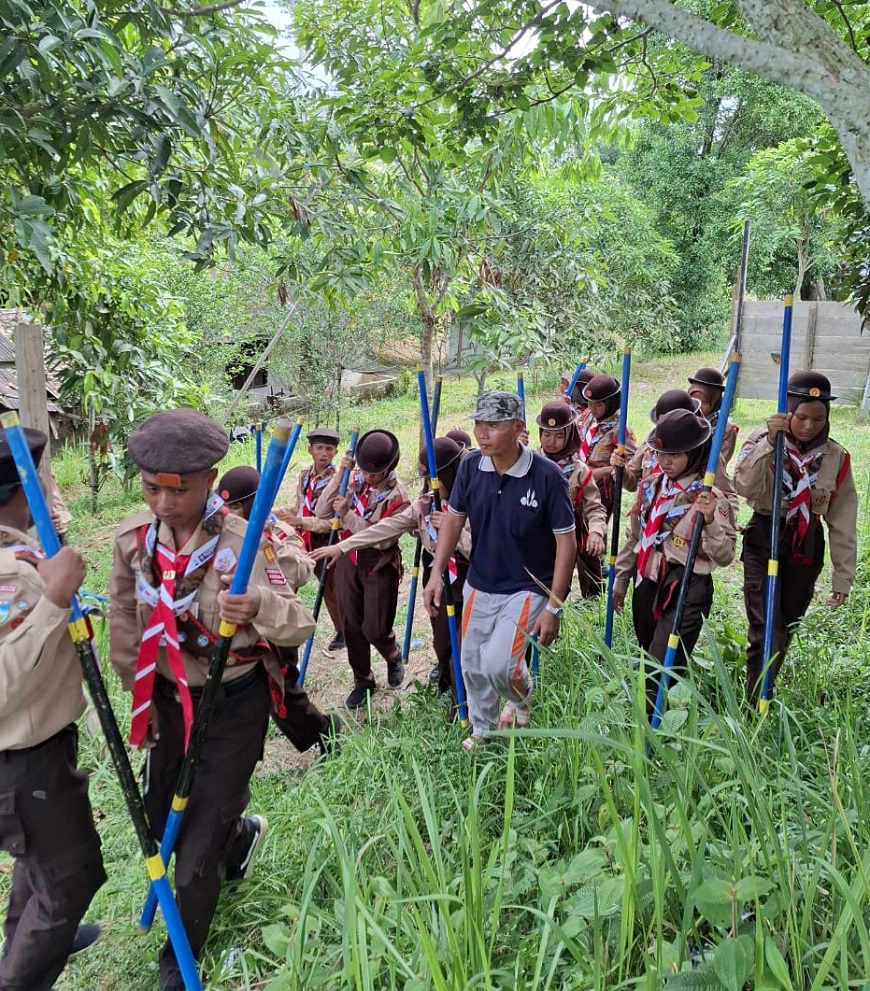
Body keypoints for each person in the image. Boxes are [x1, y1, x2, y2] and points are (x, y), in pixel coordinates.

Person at [109, 409, 316, 991]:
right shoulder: (133, 543)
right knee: (159, 821)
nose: (163, 505)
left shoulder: (245, 545)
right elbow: (126, 624)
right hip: (169, 700)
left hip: (233, 704)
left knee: (195, 849)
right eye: (151, 489)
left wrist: (258, 607)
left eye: (177, 492)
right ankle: (240, 835)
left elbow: (298, 625)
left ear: (210, 479)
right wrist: (139, 700)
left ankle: (180, 961)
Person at [0, 427, 106, 991]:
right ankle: (23, 971)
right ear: (24, 488)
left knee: (38, 860)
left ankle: (25, 942)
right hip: (22, 760)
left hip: (31, 755)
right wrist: (53, 600)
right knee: (71, 877)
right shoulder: (11, 576)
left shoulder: (15, 556)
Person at [423, 392, 576, 749]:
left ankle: (521, 698)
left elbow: (566, 544)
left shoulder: (547, 476)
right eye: (478, 423)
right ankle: (484, 729)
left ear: (519, 428)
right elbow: (453, 521)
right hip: (480, 582)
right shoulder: (470, 467)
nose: (482, 432)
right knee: (473, 664)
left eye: (493, 424)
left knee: (501, 665)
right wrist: (435, 573)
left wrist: (554, 605)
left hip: (527, 585)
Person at [313, 437, 471, 707]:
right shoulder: (423, 504)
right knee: (442, 640)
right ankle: (440, 676)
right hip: (434, 577)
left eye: (436, 479)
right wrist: (342, 546)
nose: (431, 486)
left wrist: (453, 529)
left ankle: (462, 702)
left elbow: (477, 547)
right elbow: (386, 527)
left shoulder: (472, 501)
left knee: (462, 641)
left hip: (465, 578)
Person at [733, 372, 857, 704]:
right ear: (788, 410)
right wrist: (770, 444)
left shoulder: (835, 457)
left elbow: (843, 522)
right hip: (763, 536)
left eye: (819, 418)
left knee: (784, 627)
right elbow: (742, 486)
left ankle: (765, 689)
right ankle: (755, 704)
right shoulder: (762, 440)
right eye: (800, 417)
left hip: (806, 547)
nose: (808, 426)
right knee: (766, 628)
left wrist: (842, 577)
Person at [613, 409, 736, 711]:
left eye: (676, 455)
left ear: (694, 454)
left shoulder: (709, 497)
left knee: (661, 666)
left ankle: (655, 735)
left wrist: (708, 521)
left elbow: (725, 555)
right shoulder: (652, 485)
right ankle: (658, 718)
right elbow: (636, 538)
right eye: (660, 452)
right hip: (648, 582)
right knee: (647, 653)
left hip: (686, 588)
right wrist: (620, 581)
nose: (665, 461)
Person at [217, 466, 340, 755]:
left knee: (283, 698)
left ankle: (326, 732)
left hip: (275, 630)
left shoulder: (278, 532)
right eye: (225, 506)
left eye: (235, 506)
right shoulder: (223, 533)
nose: (229, 513)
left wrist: (269, 543)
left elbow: (300, 572)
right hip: (236, 634)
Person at [314, 429, 409, 709]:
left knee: (375, 627)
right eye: (365, 471)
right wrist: (339, 476)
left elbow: (382, 538)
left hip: (378, 563)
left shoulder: (397, 496)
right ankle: (363, 681)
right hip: (347, 560)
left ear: (389, 467)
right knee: (352, 626)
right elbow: (320, 511)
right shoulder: (353, 479)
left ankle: (392, 656)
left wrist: (347, 515)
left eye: (375, 474)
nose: (368, 478)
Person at [275, 427, 345, 651]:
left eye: (329, 449)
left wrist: (301, 521)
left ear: (335, 452)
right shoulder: (306, 476)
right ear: (310, 450)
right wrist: (275, 512)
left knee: (335, 587)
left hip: (329, 538)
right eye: (319, 448)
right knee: (322, 588)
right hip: (306, 539)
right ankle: (339, 629)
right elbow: (299, 506)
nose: (324, 453)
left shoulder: (339, 480)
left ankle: (345, 630)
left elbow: (337, 521)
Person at [535, 401, 607, 597]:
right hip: (537, 537)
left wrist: (596, 532)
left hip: (571, 536)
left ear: (570, 436)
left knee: (581, 585)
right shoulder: (530, 464)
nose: (551, 441)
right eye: (546, 434)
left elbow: (595, 507)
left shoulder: (579, 470)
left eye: (559, 435)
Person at [576, 374, 637, 596]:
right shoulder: (586, 418)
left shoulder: (621, 431)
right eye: (590, 402)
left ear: (611, 402)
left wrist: (600, 471)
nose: (592, 408)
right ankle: (593, 574)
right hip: (575, 486)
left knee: (588, 536)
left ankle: (592, 592)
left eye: (598, 404)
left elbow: (625, 470)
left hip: (600, 491)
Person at [687, 367, 740, 463]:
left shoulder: (726, 430)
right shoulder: (680, 419)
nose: (697, 406)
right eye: (693, 400)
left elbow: (719, 462)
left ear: (715, 402)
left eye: (703, 402)